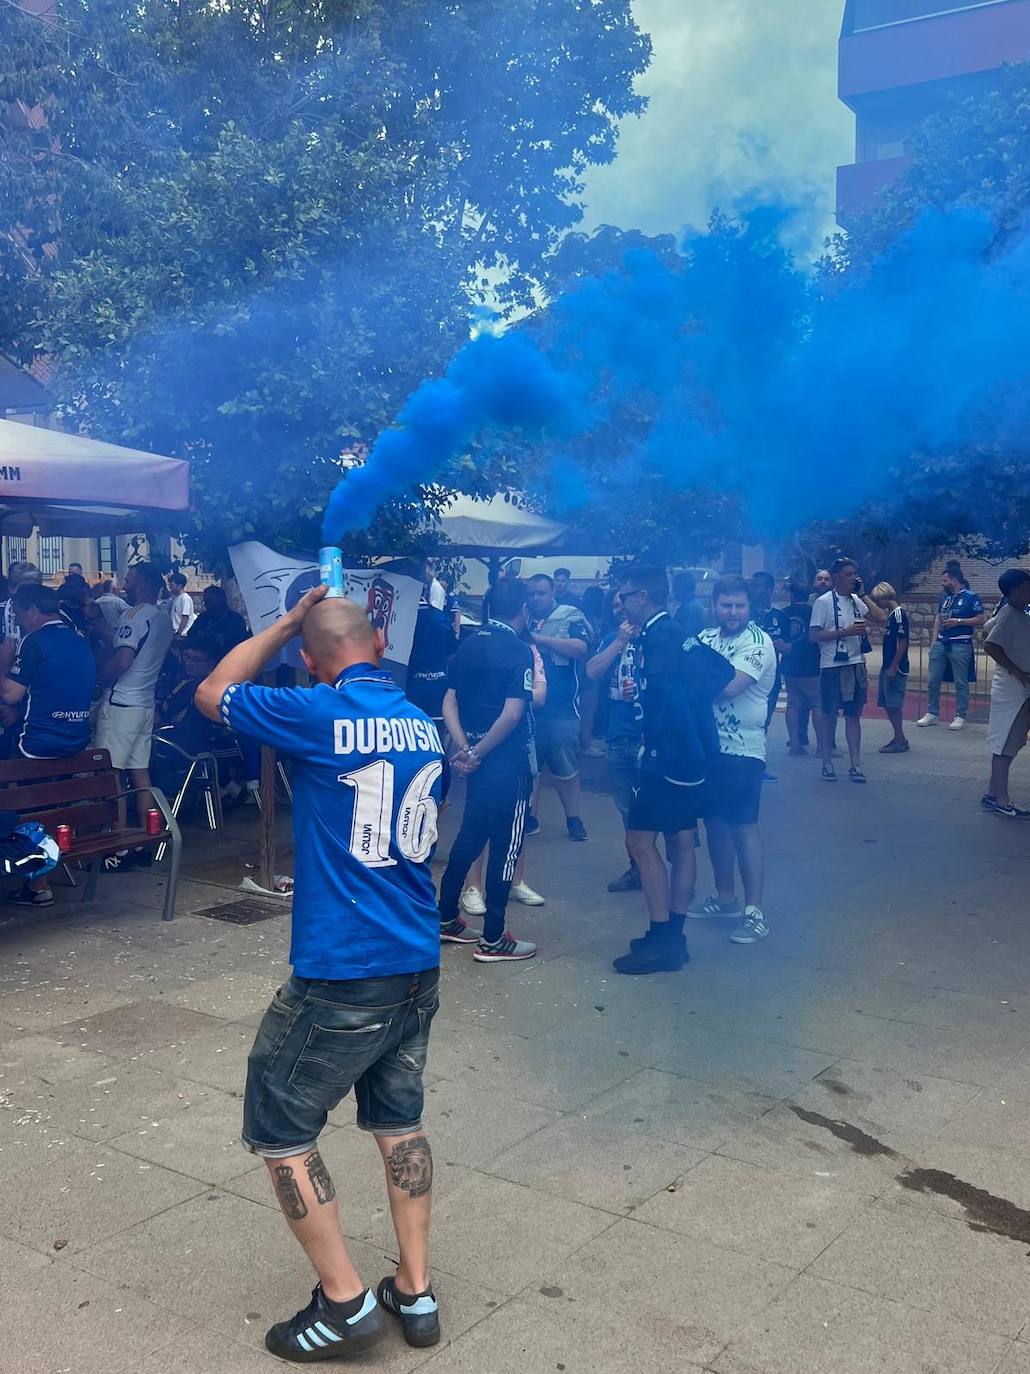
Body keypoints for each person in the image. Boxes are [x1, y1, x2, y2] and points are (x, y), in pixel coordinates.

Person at [195, 586, 445, 1359]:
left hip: (345, 968)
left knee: (279, 1127)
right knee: (399, 1121)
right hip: (416, 961)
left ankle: (343, 1303)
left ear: (310, 660)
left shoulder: (315, 715)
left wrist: (279, 620)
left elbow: (214, 692)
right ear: (378, 647)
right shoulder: (419, 721)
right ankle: (415, 1289)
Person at [610, 564, 733, 976]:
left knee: (640, 844)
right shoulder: (672, 632)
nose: (620, 601)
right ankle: (671, 938)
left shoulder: (662, 636)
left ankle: (663, 937)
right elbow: (718, 672)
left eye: (625, 595)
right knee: (680, 842)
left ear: (642, 597)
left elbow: (709, 678)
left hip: (666, 760)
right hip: (687, 758)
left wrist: (671, 729)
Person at [437, 577, 537, 962]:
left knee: (469, 835)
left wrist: (465, 747)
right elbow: (513, 714)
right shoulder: (518, 650)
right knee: (506, 846)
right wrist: (479, 751)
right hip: (507, 762)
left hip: (475, 758)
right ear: (523, 610)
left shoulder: (467, 645)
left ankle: (446, 916)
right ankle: (494, 937)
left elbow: (449, 704)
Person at [691, 576, 777, 943]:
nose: (732, 612)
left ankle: (755, 911)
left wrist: (691, 680)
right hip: (708, 748)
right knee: (714, 824)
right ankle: (725, 897)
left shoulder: (757, 643)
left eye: (739, 605)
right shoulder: (706, 639)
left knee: (743, 828)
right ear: (714, 604)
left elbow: (728, 688)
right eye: (726, 605)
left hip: (743, 751)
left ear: (749, 606)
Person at [1, 584, 96, 909]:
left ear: (31, 611)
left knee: (20, 803)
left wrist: (5, 661)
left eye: (18, 613)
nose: (18, 620)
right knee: (51, 804)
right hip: (76, 739)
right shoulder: (78, 640)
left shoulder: (35, 642)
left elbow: (10, 695)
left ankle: (38, 884)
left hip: (37, 744)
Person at [94, 563, 174, 851]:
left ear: (142, 585)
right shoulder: (163, 618)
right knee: (141, 772)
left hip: (121, 703)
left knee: (111, 774)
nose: (124, 585)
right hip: (144, 702)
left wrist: (99, 679)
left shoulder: (134, 615)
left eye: (128, 580)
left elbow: (124, 660)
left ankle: (120, 843)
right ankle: (145, 838)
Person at [526, 574, 593, 841]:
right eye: (532, 593)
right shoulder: (523, 616)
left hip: (561, 708)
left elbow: (581, 648)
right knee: (531, 770)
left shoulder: (569, 616)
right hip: (529, 705)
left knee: (567, 768)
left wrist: (541, 640)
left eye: (541, 593)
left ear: (553, 592)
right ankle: (530, 818)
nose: (536, 598)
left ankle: (574, 819)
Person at [586, 592, 642, 893]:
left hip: (651, 738)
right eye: (616, 606)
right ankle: (638, 868)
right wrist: (619, 642)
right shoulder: (612, 638)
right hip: (619, 737)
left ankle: (673, 875)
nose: (621, 611)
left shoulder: (655, 636)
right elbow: (592, 671)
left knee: (667, 813)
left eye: (625, 604)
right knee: (627, 811)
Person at [809, 558, 879, 783]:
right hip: (832, 666)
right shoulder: (823, 602)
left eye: (855, 574)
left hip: (856, 663)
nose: (854, 578)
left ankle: (855, 765)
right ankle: (827, 762)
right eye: (849, 574)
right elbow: (814, 635)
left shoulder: (857, 600)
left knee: (853, 716)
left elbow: (880, 617)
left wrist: (864, 594)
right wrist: (843, 633)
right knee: (829, 715)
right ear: (837, 577)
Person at [982, 569, 1030, 818]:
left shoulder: (1015, 612)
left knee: (1011, 741)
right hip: (1013, 689)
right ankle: (1002, 799)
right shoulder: (1010, 614)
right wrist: (1016, 671)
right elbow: (989, 643)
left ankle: (993, 792)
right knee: (1005, 745)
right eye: (1025, 586)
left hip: (1020, 689)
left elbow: (985, 629)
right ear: (1013, 590)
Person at [917, 561, 985, 731]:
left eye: (945, 581)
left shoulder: (971, 597)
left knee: (960, 682)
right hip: (941, 642)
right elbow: (938, 619)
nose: (943, 584)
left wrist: (960, 621)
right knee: (933, 680)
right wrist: (933, 643)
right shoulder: (945, 598)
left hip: (960, 644)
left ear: (954, 580)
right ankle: (932, 713)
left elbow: (981, 619)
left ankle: (960, 715)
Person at [748, 572, 791, 769]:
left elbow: (791, 647)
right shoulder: (743, 613)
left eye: (758, 586)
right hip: (746, 676)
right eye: (752, 585)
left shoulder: (781, 617)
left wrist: (784, 647)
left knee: (763, 722)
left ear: (769, 590)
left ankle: (759, 764)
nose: (753, 589)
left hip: (771, 679)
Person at [405, 593, 457, 732]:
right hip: (437, 692)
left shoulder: (403, 619)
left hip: (411, 691)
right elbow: (452, 653)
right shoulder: (441, 618)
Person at [781, 580, 821, 755]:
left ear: (791, 595)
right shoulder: (814, 613)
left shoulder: (783, 614)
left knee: (793, 704)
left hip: (790, 665)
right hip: (811, 664)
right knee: (818, 705)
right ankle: (822, 747)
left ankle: (795, 744)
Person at [870, 582, 911, 754]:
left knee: (893, 704)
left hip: (895, 666)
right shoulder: (891, 616)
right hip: (887, 664)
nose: (878, 604)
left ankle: (900, 739)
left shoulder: (898, 615)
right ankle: (898, 736)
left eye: (878, 600)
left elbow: (902, 642)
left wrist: (894, 666)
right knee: (887, 703)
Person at [188, 584, 249, 656]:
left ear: (222, 600)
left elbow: (239, 645)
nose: (207, 604)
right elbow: (190, 636)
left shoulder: (235, 620)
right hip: (200, 660)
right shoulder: (203, 617)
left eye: (210, 600)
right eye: (205, 601)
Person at [671, 571, 707, 639]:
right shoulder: (688, 605)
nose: (673, 590)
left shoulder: (692, 608)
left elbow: (689, 636)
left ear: (682, 588)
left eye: (675, 587)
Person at [165, 571, 197, 637]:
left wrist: (179, 633)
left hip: (182, 633)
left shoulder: (185, 598)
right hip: (175, 631)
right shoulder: (176, 598)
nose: (170, 587)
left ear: (179, 585)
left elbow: (185, 617)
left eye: (172, 585)